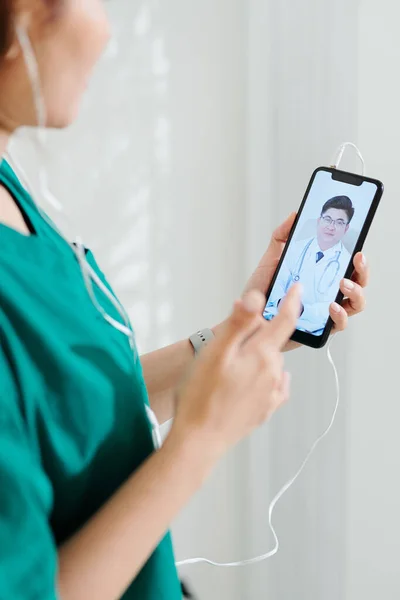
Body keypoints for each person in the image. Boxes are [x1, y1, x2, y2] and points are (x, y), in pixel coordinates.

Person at [0, 2, 369, 600]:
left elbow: (68, 415)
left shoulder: (10, 184)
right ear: (22, 15)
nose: (106, 28)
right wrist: (201, 441)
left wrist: (240, 334)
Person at [264, 196, 356, 335]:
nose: (331, 227)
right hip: (274, 320)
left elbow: (330, 307)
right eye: (327, 219)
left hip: (310, 330)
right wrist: (279, 302)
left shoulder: (346, 262)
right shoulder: (295, 248)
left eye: (339, 222)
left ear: (346, 228)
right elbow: (277, 282)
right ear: (319, 221)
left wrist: (302, 310)